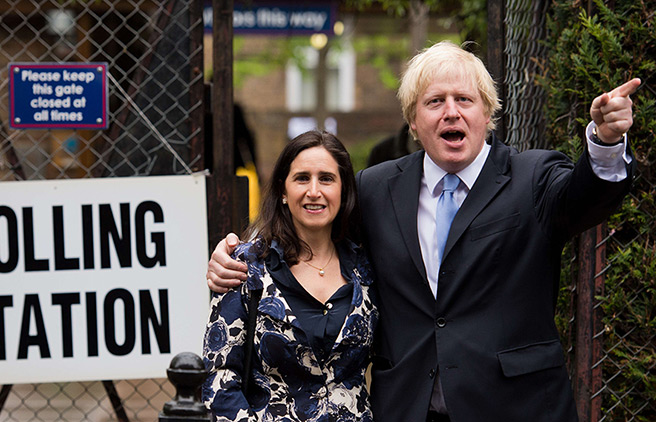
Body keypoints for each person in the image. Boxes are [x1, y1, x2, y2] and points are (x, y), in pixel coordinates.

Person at [206, 41, 639, 422]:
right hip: (408, 407)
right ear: (413, 122)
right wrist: (239, 254)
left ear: (487, 113)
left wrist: (603, 142)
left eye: (465, 99)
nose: (451, 111)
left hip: (515, 404)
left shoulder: (533, 178)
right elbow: (315, 232)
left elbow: (588, 197)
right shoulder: (376, 187)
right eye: (435, 102)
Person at [202, 130, 378, 421]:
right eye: (301, 178)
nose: (314, 191)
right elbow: (219, 374)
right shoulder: (248, 265)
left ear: (343, 190)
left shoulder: (366, 266)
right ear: (283, 191)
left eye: (326, 178)